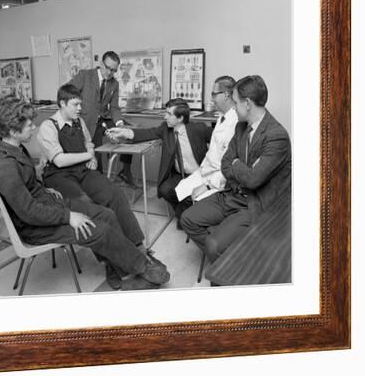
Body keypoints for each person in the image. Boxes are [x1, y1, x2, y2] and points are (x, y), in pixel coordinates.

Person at [0, 97, 170, 292]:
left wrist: (42, 188)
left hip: (48, 204)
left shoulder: (14, 147)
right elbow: (28, 212)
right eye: (29, 125)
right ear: (14, 131)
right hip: (35, 226)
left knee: (106, 214)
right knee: (99, 230)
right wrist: (68, 217)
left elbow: (27, 186)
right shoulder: (5, 166)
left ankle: (124, 264)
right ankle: (137, 269)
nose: (34, 127)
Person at [36, 85, 169, 289]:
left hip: (82, 170)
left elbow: (88, 142)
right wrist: (89, 156)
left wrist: (91, 157)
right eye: (75, 104)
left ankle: (138, 249)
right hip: (59, 176)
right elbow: (60, 160)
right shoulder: (48, 126)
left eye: (80, 103)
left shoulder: (78, 121)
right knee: (90, 207)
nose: (80, 108)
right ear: (62, 103)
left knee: (115, 194)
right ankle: (113, 263)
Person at [180, 75, 291, 264]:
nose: (233, 107)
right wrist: (240, 167)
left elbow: (254, 179)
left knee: (215, 245)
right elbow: (226, 163)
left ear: (247, 103)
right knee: (188, 219)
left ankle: (227, 264)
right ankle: (230, 260)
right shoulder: (241, 127)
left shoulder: (276, 136)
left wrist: (237, 164)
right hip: (232, 194)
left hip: (254, 203)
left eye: (236, 102)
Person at [106, 98, 212, 221]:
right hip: (181, 175)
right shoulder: (165, 129)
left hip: (200, 175)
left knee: (190, 213)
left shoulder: (199, 128)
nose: (165, 117)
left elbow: (220, 139)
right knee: (165, 189)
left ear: (180, 118)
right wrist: (123, 132)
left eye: (169, 114)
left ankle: (186, 213)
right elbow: (146, 133)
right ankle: (184, 212)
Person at [70, 51, 135, 185]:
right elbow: (67, 94)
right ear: (101, 64)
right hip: (86, 121)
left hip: (103, 118)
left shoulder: (114, 84)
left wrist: (120, 124)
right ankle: (98, 185)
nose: (110, 72)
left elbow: (115, 108)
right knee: (96, 155)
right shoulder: (85, 75)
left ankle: (125, 171)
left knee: (130, 132)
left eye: (114, 70)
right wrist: (75, 114)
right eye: (108, 68)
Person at [175, 76, 239, 207]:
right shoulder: (222, 117)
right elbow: (213, 152)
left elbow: (229, 166)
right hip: (206, 172)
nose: (211, 99)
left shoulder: (236, 123)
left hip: (218, 180)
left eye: (214, 94)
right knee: (178, 191)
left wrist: (208, 186)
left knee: (190, 208)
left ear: (226, 95)